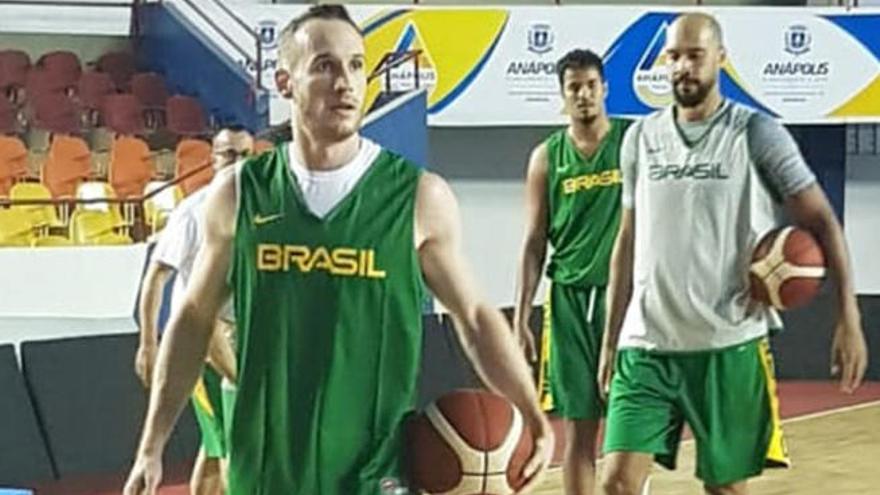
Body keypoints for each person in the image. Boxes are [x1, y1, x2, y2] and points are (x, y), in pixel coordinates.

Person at [123, 5, 553, 495]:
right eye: (325, 65)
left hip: (372, 472)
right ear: (286, 82)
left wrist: (532, 411)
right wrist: (151, 445)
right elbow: (195, 318)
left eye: (355, 65)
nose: (345, 82)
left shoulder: (418, 197)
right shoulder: (240, 193)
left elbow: (474, 316)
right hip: (262, 468)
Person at [597, 13, 869, 495]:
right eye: (675, 56)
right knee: (616, 482)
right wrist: (609, 339)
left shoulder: (756, 134)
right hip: (646, 346)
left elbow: (823, 222)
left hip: (728, 344)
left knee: (725, 489)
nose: (683, 67)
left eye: (695, 55)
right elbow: (627, 239)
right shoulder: (639, 138)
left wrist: (847, 316)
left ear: (720, 59)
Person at [513, 48, 628, 495]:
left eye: (590, 86)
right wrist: (522, 316)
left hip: (625, 299)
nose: (583, 95)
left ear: (605, 89)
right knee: (579, 431)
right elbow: (534, 241)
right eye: (573, 88)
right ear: (562, 96)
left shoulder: (631, 144)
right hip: (567, 301)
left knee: (627, 428)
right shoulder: (546, 157)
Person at [134, 127, 254, 494]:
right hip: (204, 343)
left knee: (216, 442)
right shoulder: (193, 212)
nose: (239, 164)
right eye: (230, 155)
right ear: (213, 159)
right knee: (236, 442)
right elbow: (155, 277)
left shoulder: (261, 209)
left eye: (246, 155)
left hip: (244, 333)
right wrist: (149, 343)